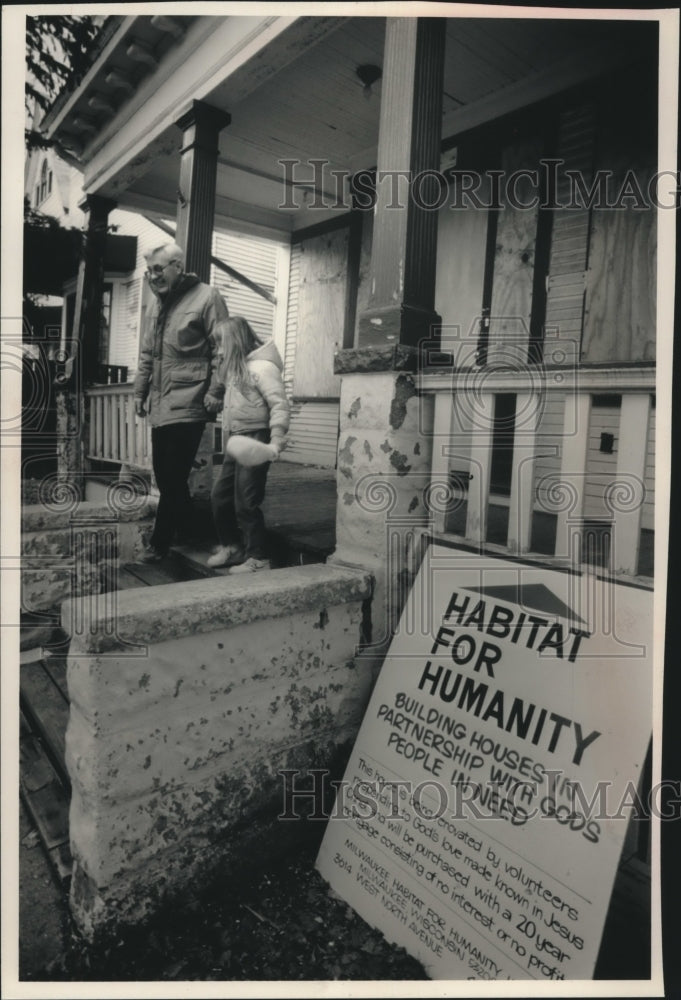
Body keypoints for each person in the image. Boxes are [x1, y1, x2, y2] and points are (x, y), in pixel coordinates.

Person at [133, 242, 228, 562]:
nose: (152, 276)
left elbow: (223, 349)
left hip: (191, 399)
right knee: (165, 476)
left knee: (173, 475)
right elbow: (148, 354)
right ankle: (197, 531)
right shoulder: (156, 304)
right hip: (161, 403)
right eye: (148, 271)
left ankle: (159, 544)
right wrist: (139, 391)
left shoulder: (207, 297)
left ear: (177, 266)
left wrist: (216, 391)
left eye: (158, 269)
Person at [205, 316, 290, 573]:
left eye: (222, 344)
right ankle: (232, 546)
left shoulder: (263, 368)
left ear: (236, 341)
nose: (218, 350)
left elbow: (279, 405)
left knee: (246, 500)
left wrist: (276, 440)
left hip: (257, 439)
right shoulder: (234, 368)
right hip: (237, 441)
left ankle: (259, 557)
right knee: (219, 496)